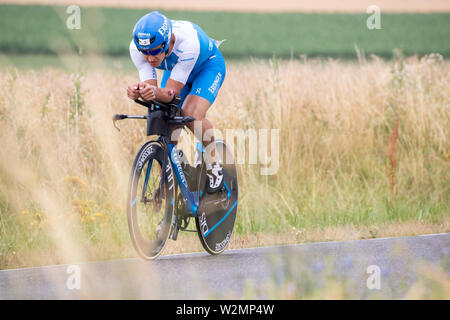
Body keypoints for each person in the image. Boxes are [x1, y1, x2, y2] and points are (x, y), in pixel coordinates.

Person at [127, 11, 226, 194]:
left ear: (167, 42)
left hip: (207, 67)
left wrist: (155, 92)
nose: (150, 58)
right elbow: (154, 93)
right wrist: (138, 91)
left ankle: (214, 164)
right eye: (145, 53)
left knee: (190, 114)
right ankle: (169, 178)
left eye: (156, 51)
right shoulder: (137, 48)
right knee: (163, 117)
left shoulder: (187, 43)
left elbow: (172, 95)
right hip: (177, 71)